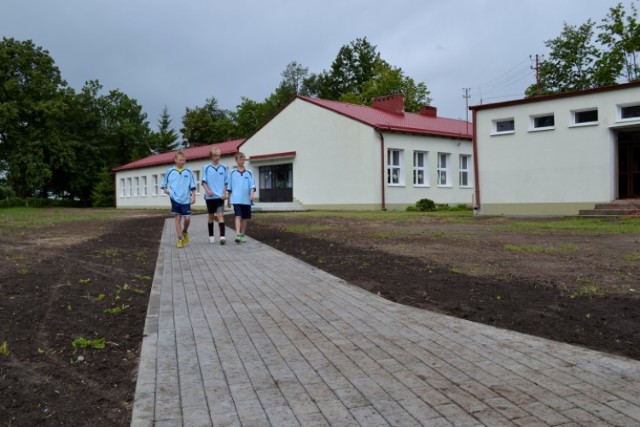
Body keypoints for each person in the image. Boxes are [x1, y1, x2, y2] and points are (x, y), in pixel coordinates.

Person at [161, 151, 196, 248]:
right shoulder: (170, 171)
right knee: (177, 218)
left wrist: (193, 196)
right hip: (175, 198)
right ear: (175, 159)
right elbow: (164, 183)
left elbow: (192, 185)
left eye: (184, 160)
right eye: (180, 160)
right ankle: (180, 239)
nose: (182, 162)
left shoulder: (188, 171)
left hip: (186, 199)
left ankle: (185, 232)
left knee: (187, 218)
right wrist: (165, 189)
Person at [201, 146, 228, 244]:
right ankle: (211, 236)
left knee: (220, 215)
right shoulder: (206, 167)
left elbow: (226, 182)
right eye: (215, 156)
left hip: (220, 197)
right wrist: (207, 190)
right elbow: (203, 182)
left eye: (219, 156)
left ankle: (222, 237)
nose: (217, 157)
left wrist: (224, 193)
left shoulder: (224, 167)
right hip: (210, 197)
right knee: (211, 216)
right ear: (211, 156)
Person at [227, 152, 256, 243]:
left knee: (244, 218)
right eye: (240, 159)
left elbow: (252, 185)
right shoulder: (232, 173)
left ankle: (243, 234)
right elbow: (229, 188)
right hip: (236, 199)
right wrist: (228, 200)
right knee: (238, 216)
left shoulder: (249, 172)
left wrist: (252, 194)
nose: (242, 161)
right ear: (236, 160)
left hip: (246, 200)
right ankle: (238, 234)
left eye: (243, 159)